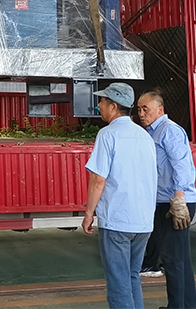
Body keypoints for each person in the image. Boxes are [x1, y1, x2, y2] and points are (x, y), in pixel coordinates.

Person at [81, 82, 158, 309]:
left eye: (102, 101)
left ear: (114, 106)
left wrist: (89, 213)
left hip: (118, 220)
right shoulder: (145, 136)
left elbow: (98, 179)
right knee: (132, 276)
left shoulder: (107, 135)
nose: (99, 105)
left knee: (118, 282)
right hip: (143, 221)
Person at [137, 91, 196, 309]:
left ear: (160, 110)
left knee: (173, 260)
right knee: (179, 260)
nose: (141, 113)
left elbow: (181, 164)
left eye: (146, 109)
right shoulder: (151, 132)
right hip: (164, 201)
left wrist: (179, 199)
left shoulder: (169, 130)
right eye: (139, 109)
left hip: (175, 203)